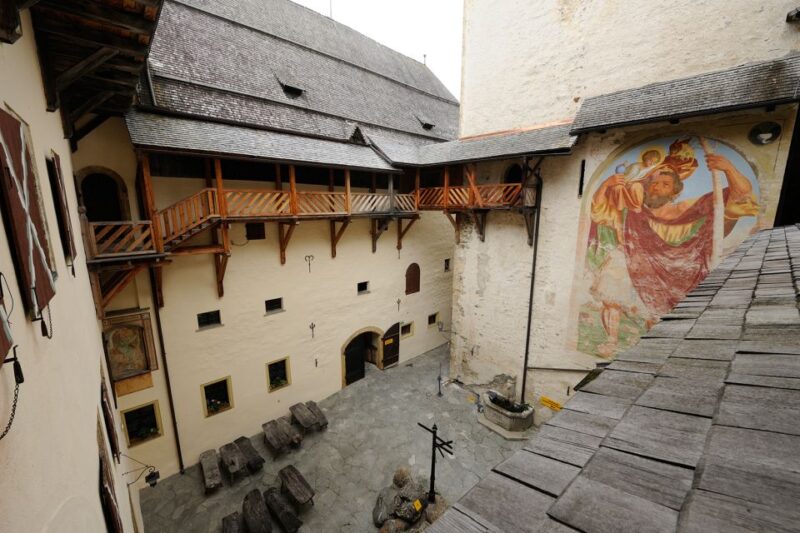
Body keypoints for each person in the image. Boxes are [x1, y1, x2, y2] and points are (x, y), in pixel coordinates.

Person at [587, 138, 758, 355]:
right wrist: (606, 184)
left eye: (665, 184)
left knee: (657, 315)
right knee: (610, 292)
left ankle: (653, 348)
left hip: (670, 267)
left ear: (675, 192)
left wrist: (729, 168)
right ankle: (611, 341)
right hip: (629, 256)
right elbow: (598, 210)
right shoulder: (631, 207)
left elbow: (741, 195)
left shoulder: (685, 209)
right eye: (653, 183)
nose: (656, 187)